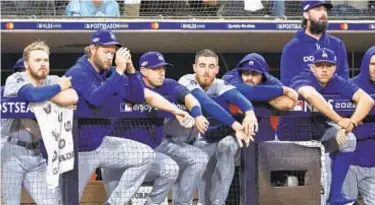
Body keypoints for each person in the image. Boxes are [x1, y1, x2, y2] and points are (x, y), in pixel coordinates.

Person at [65, 29, 192, 205]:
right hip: (80, 149)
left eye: (112, 53)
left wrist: (131, 72)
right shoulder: (79, 72)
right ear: (93, 49)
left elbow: (138, 96)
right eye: (105, 52)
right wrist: (118, 71)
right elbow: (96, 98)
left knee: (145, 155)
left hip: (102, 143)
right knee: (67, 199)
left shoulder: (108, 73)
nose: (110, 57)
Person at [102, 51, 210, 204]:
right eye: (156, 69)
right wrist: (171, 110)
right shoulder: (130, 82)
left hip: (154, 148)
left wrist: (197, 114)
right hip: (120, 155)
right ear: (144, 71)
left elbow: (189, 97)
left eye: (163, 69)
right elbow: (142, 100)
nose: (161, 73)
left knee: (179, 165)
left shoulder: (169, 84)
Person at [277, 48, 374, 204]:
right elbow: (310, 94)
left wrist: (350, 123)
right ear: (312, 67)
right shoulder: (302, 77)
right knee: (292, 187)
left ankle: (335, 196)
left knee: (348, 140)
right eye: (320, 65)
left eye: (328, 65)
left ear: (334, 67)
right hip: (290, 142)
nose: (324, 69)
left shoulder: (336, 81)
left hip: (318, 139)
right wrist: (339, 119)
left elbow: (367, 100)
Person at [1, 40, 78, 205]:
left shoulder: (52, 80)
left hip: (36, 154)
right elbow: (33, 95)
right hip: (11, 152)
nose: (43, 64)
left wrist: (47, 94)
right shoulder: (15, 79)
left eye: (45, 60)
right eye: (37, 60)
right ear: (27, 64)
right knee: (10, 202)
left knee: (51, 202)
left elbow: (72, 96)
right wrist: (57, 93)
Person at [178, 49, 258, 205]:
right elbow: (205, 103)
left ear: (217, 69)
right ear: (194, 67)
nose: (206, 71)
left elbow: (240, 99)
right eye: (202, 65)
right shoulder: (186, 81)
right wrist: (236, 126)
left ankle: (218, 203)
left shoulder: (220, 84)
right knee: (196, 187)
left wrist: (250, 113)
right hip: (187, 144)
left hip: (212, 140)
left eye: (211, 66)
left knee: (228, 144)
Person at [280, 0, 349, 86]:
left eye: (325, 10)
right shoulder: (292, 47)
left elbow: (344, 79)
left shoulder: (337, 44)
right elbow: (287, 82)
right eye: (318, 9)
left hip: (335, 97)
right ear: (306, 15)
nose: (323, 13)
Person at [341, 46, 375, 204]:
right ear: (366, 64)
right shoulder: (350, 87)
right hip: (349, 162)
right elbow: (342, 127)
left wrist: (361, 122)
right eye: (373, 64)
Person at [223, 53, 298, 111]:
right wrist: (283, 90)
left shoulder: (269, 80)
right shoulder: (229, 77)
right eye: (246, 73)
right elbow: (241, 91)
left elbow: (287, 104)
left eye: (254, 74)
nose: (249, 78)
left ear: (263, 75)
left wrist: (257, 94)